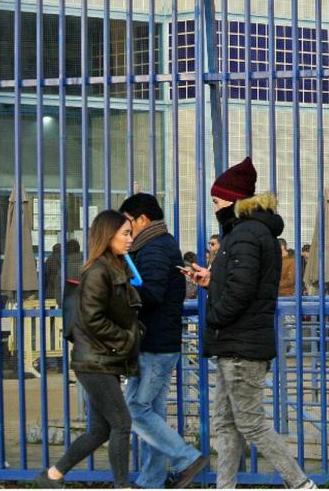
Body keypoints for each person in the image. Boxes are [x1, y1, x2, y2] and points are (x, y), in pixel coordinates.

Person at [186, 157, 316, 489]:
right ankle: (225, 486)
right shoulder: (252, 233)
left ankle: (301, 483)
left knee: (251, 423)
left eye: (216, 201)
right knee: (227, 424)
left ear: (233, 199)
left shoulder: (244, 234)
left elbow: (241, 292)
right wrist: (210, 280)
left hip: (239, 343)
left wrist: (213, 318)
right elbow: (245, 283)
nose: (214, 208)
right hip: (239, 343)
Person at [34, 210, 142, 488]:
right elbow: (92, 319)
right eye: (125, 234)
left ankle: (52, 476)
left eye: (130, 233)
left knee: (99, 430)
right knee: (121, 423)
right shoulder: (97, 271)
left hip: (103, 359)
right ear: (108, 236)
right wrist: (127, 339)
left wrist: (134, 332)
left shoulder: (115, 266)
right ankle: (122, 486)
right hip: (95, 361)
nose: (130, 239)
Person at [118, 193, 208, 489]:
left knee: (134, 409)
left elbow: (152, 293)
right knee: (151, 414)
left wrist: (118, 289)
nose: (126, 230)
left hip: (154, 342)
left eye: (128, 223)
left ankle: (187, 458)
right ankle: (151, 480)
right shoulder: (158, 244)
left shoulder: (154, 248)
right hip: (159, 341)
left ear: (142, 218)